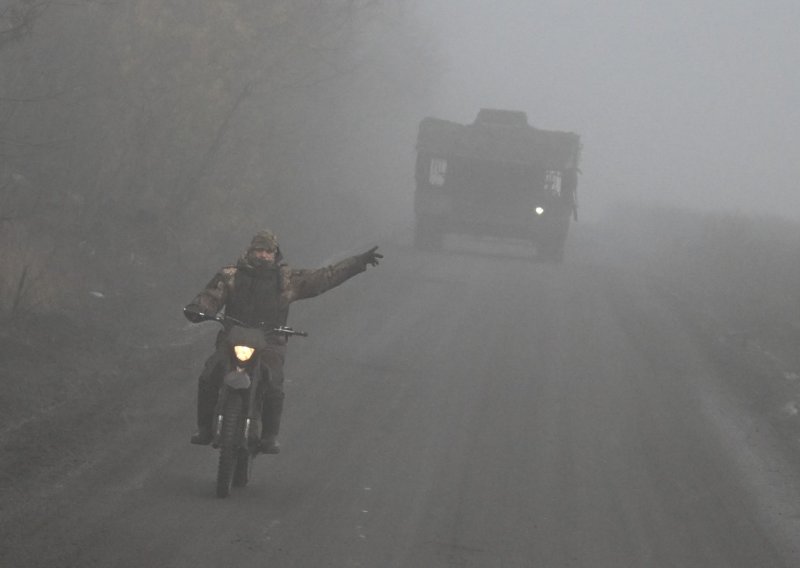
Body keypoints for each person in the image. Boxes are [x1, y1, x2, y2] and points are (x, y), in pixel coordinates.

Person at [183, 230, 382, 454]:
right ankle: (204, 429)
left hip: (270, 340)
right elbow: (210, 296)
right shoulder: (230, 275)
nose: (263, 255)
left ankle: (269, 436)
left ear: (275, 254)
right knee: (210, 374)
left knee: (273, 382)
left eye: (268, 251)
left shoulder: (287, 280)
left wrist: (357, 263)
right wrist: (199, 309)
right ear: (250, 251)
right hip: (232, 336)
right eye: (259, 250)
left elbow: (325, 277)